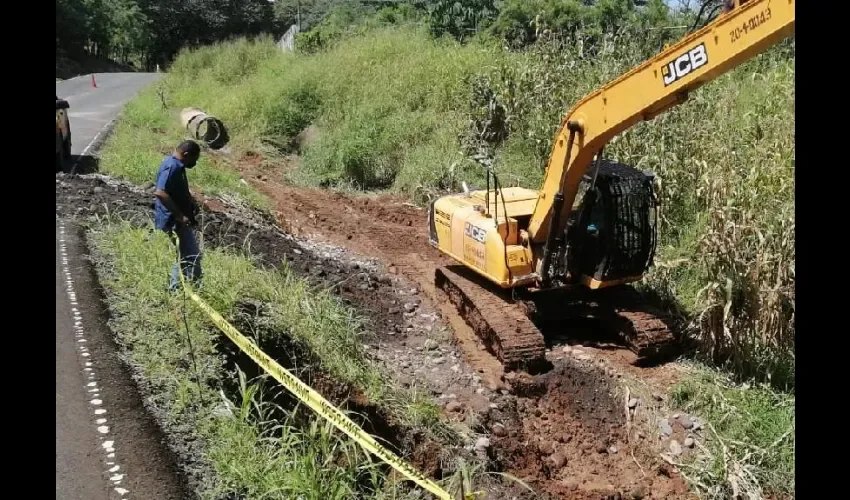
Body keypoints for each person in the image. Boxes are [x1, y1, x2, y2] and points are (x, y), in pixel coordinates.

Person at [154, 140, 202, 292]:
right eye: (194, 159)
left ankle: (180, 289)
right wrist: (180, 215)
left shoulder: (176, 166)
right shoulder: (172, 166)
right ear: (186, 155)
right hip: (174, 221)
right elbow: (161, 192)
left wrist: (190, 203)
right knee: (191, 256)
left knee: (185, 255)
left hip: (177, 220)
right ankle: (183, 290)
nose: (195, 163)